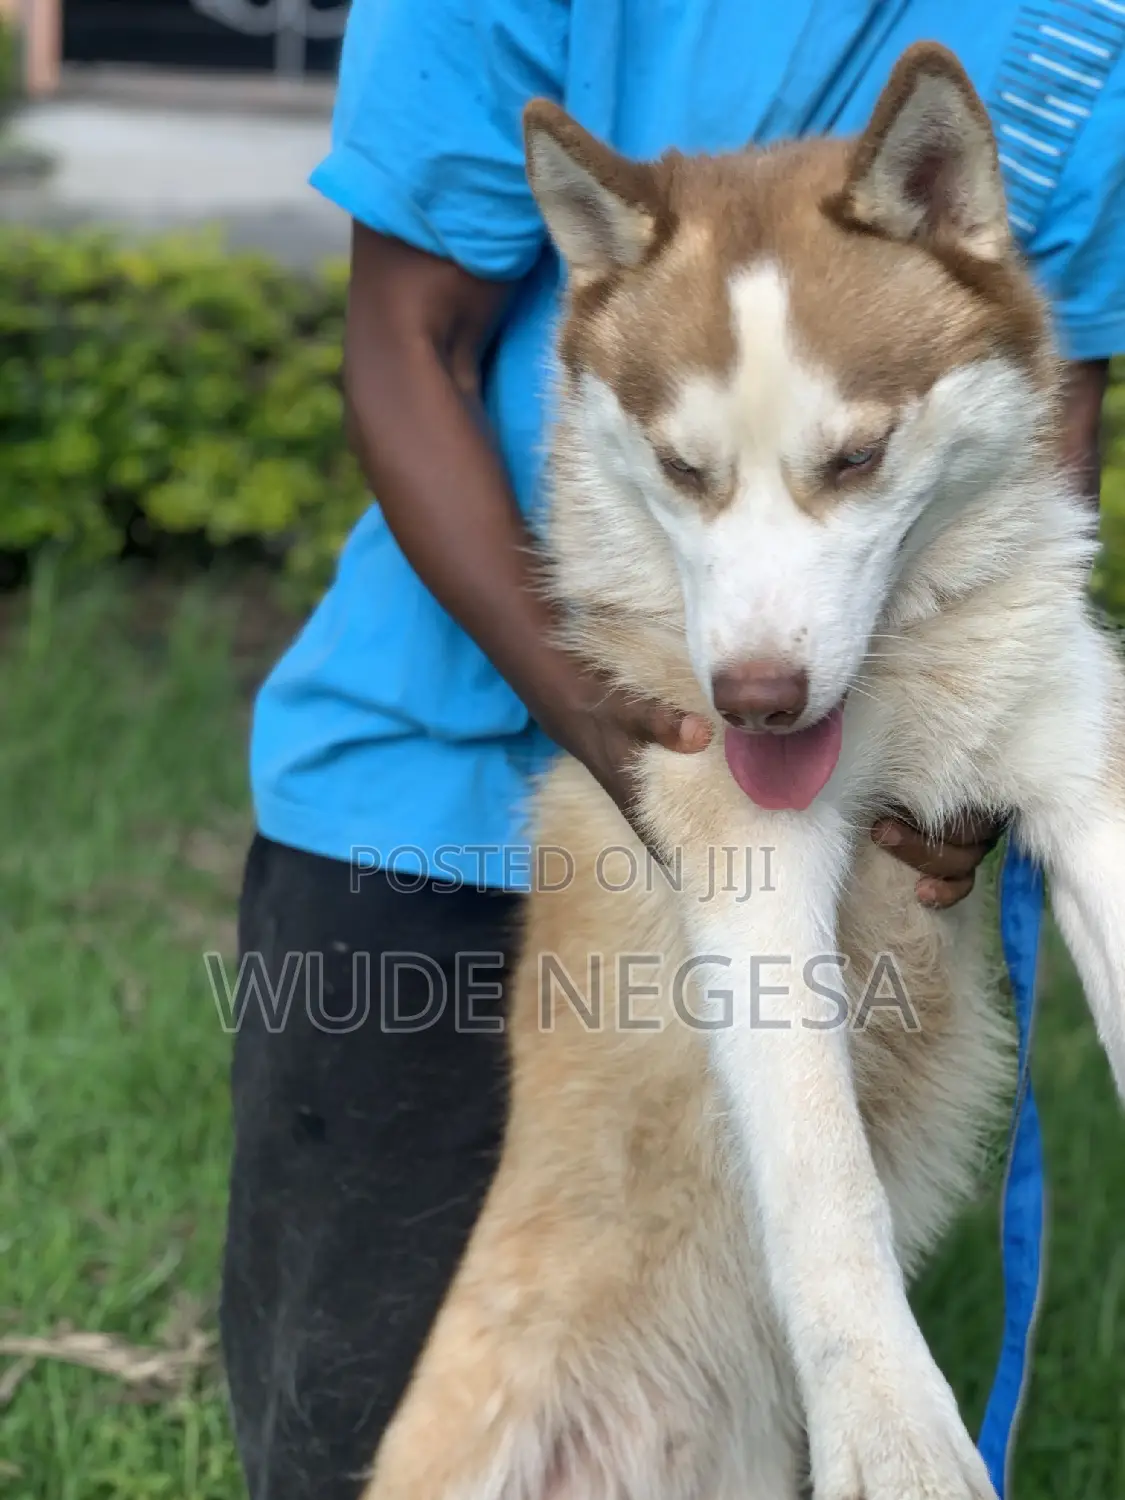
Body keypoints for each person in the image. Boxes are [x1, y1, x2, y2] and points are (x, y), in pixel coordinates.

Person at [220, 3, 1124, 1496]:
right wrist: (599, 713)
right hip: (416, 803)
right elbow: (401, 332)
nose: (757, 658)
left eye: (852, 459)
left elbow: (1047, 372)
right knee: (364, 1440)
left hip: (873, 833)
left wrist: (996, 691)